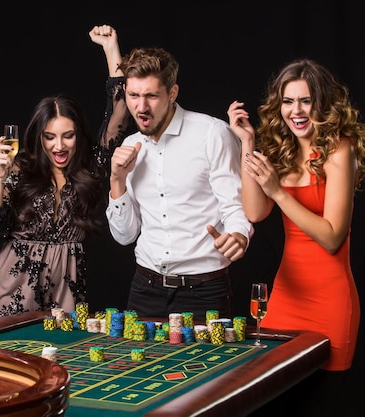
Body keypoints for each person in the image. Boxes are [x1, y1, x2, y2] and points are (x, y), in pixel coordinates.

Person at [227, 58, 365, 416]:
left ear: (322, 103)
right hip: (286, 300)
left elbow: (331, 237)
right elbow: (255, 213)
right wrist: (247, 144)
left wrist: (278, 192)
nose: (296, 111)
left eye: (305, 100)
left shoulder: (340, 151)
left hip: (331, 302)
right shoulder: (283, 151)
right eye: (288, 101)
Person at [0, 25, 129, 321]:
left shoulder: (91, 166)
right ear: (39, 136)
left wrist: (111, 50)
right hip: (12, 290)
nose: (59, 146)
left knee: (65, 364)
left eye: (67, 136)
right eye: (49, 137)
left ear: (78, 136)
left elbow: (120, 111)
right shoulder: (21, 167)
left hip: (66, 292)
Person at [105, 45, 254, 322]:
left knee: (208, 368)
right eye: (133, 95)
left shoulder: (212, 134)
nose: (141, 106)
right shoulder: (128, 146)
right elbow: (124, 236)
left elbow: (235, 207)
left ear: (172, 93)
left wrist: (239, 235)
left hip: (204, 291)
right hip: (144, 289)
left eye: (151, 95)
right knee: (137, 366)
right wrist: (117, 180)